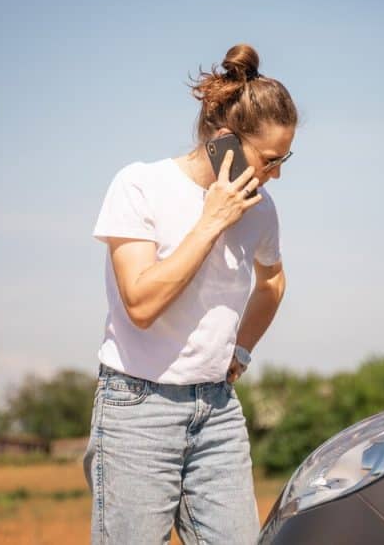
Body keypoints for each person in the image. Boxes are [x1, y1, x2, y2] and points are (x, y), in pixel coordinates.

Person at [84, 43, 298, 544]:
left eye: (285, 158)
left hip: (218, 412)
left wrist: (241, 348)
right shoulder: (139, 186)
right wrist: (211, 222)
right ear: (224, 140)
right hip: (138, 410)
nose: (278, 174)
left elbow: (272, 282)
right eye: (270, 159)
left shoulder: (262, 210)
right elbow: (140, 303)